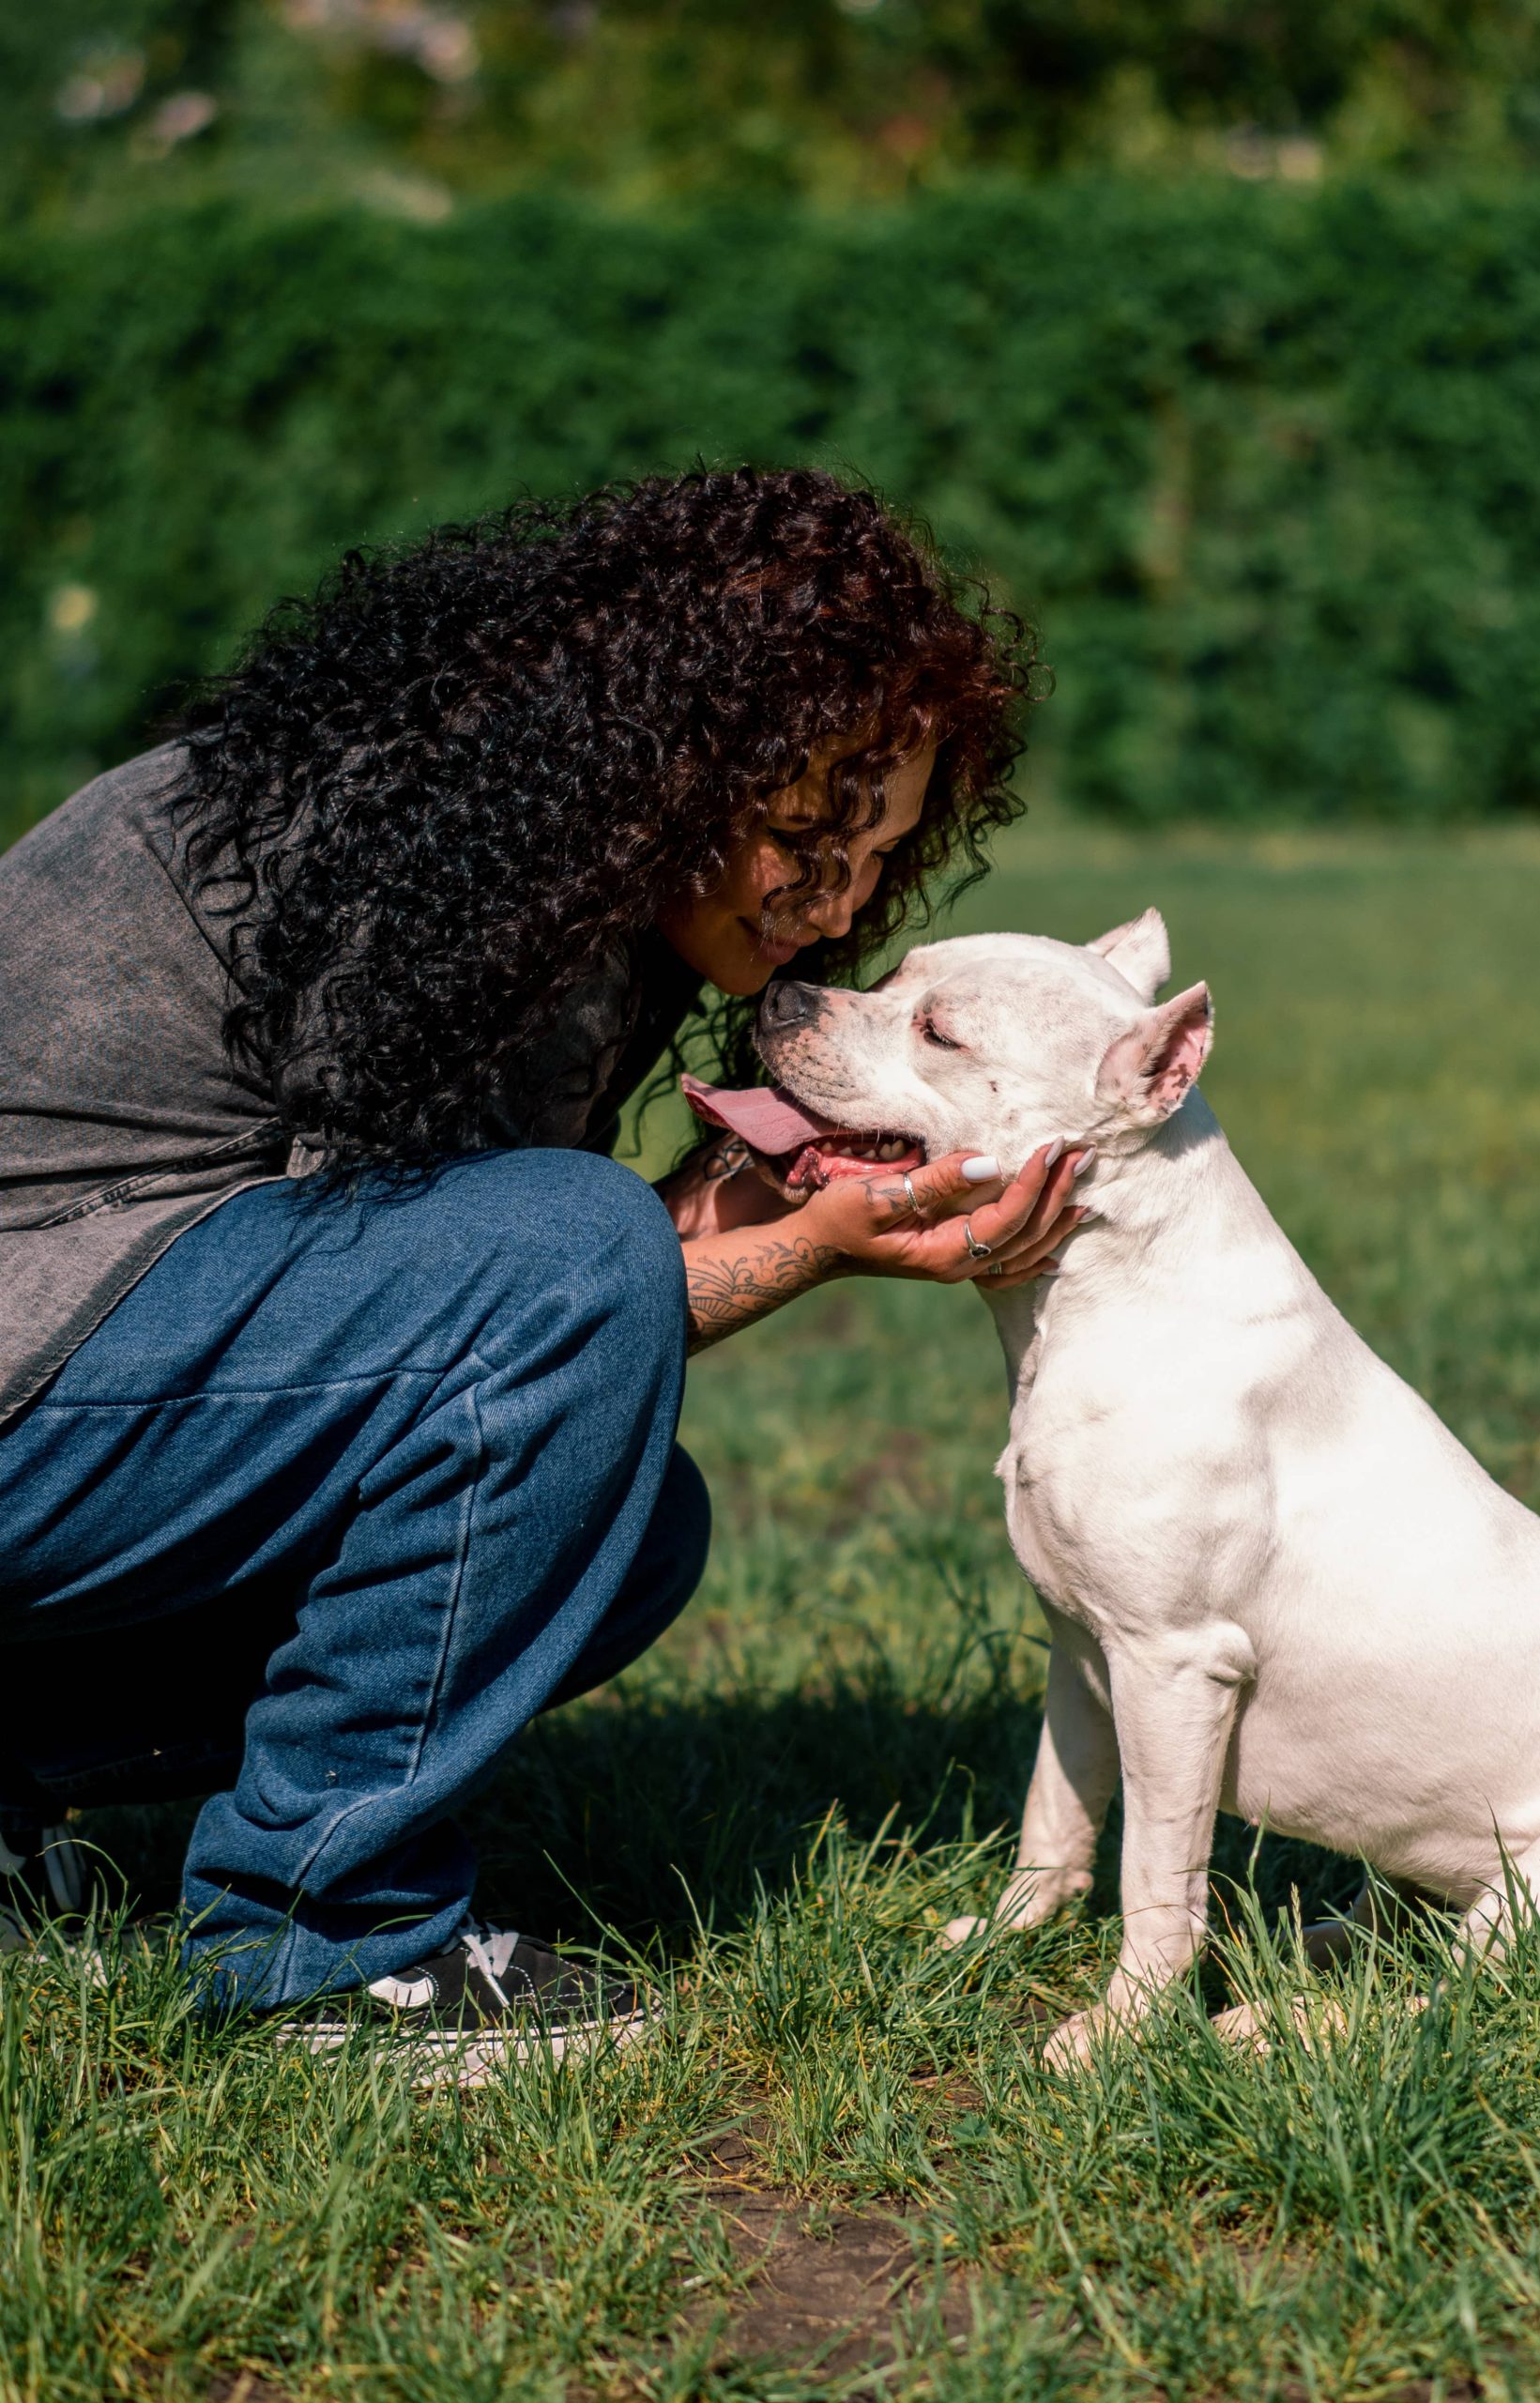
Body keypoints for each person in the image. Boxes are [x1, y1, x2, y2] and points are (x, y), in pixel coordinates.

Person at [0, 467, 1087, 2073]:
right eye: (799, 839)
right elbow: (518, 1303)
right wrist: (800, 1245)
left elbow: (436, 1347)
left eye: (881, 856)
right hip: (45, 1369)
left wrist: (769, 1197)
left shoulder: (526, 858)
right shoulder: (389, 849)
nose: (842, 901)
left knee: (630, 1522)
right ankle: (325, 1952)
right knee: (567, 1257)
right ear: (663, 762)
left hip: (97, 1382)